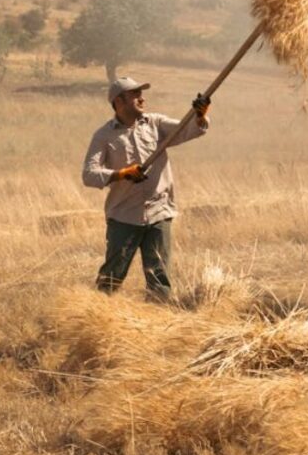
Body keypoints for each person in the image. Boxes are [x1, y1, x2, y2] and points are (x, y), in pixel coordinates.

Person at [82, 77, 211, 300]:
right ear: (119, 101)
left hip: (159, 212)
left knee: (159, 276)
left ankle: (158, 321)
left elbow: (187, 130)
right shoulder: (103, 136)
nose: (142, 98)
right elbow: (89, 174)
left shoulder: (156, 123)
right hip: (124, 216)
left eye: (141, 93)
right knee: (112, 277)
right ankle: (95, 317)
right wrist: (121, 174)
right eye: (135, 95)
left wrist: (199, 115)